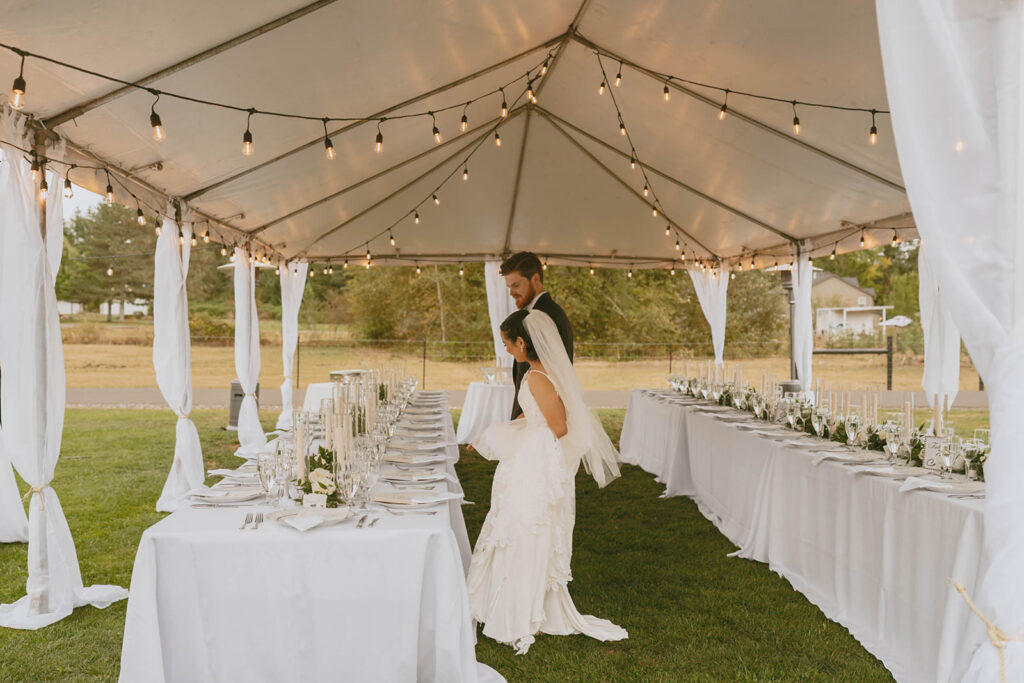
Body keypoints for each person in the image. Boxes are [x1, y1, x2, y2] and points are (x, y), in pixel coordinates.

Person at [467, 308, 626, 655]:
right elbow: (532, 415)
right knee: (516, 528)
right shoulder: (536, 373)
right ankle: (511, 602)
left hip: (536, 465)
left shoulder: (539, 377)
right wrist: (490, 436)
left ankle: (524, 610)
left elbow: (558, 426)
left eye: (508, 344)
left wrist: (525, 446)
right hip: (530, 459)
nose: (506, 349)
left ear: (522, 342)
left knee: (528, 529)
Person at [499, 252, 573, 420]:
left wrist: (520, 422)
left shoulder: (543, 316)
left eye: (516, 285)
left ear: (535, 279)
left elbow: (549, 376)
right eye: (509, 287)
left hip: (538, 418)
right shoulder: (544, 312)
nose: (511, 293)